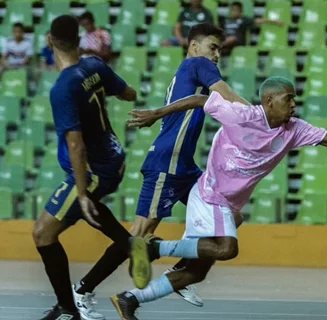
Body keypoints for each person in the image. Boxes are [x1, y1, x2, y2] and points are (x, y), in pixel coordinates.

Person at [111, 77, 327, 318]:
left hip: (227, 205)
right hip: (210, 195)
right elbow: (200, 99)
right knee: (227, 248)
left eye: (294, 99)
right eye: (288, 99)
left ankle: (130, 299)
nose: (293, 105)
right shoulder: (241, 115)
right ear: (269, 100)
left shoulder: (294, 129)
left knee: (196, 273)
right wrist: (157, 113)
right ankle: (154, 248)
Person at [71, 23, 249, 319]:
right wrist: (262, 117)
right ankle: (82, 289)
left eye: (220, 50)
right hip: (167, 163)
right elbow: (225, 94)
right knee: (137, 236)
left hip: (185, 166)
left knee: (231, 217)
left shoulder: (189, 69)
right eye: (213, 47)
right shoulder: (199, 64)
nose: (217, 55)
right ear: (194, 46)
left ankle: (181, 269)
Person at [31, 15, 150, 320]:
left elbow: (76, 145)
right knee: (89, 210)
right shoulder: (94, 65)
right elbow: (129, 93)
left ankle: (68, 308)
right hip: (114, 158)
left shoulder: (62, 88)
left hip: (95, 169)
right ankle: (131, 245)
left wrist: (82, 193)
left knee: (43, 233)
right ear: (78, 40)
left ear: (50, 40)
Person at [219, 1, 284, 53]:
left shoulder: (243, 20)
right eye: (232, 10)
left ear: (240, 12)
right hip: (225, 41)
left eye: (236, 10)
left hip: (237, 43)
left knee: (233, 38)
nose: (233, 12)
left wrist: (275, 21)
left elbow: (259, 21)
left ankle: (219, 45)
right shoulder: (225, 21)